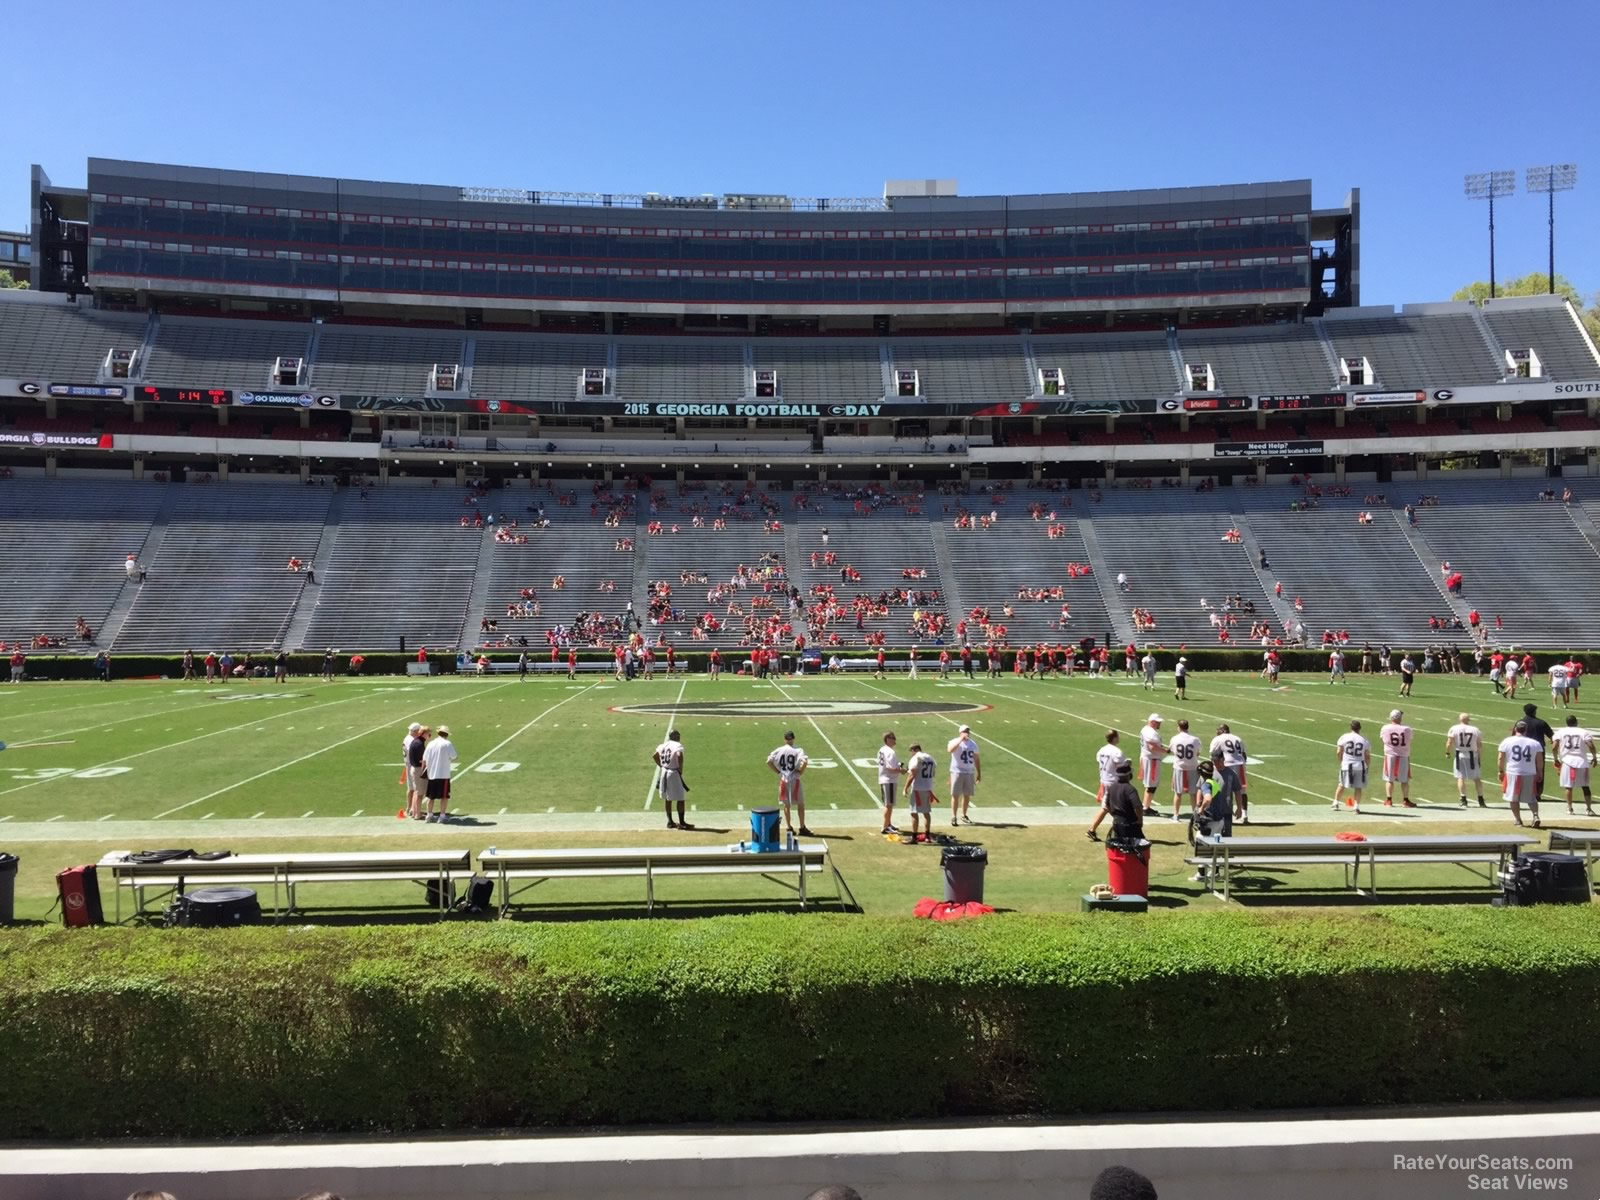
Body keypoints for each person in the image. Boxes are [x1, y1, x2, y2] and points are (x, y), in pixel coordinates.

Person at [1188, 758, 1232, 882]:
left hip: (1210, 822)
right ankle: (1215, 872)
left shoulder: (1206, 784)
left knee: (1201, 846)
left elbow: (1207, 798)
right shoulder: (1214, 783)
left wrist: (1201, 809)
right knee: (1215, 847)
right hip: (1220, 821)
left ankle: (1201, 873)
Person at [1498, 719, 1543, 828]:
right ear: (1526, 730)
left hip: (1513, 772)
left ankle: (1518, 820)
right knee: (1531, 797)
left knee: (1513, 798)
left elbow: (1501, 757)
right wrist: (1539, 772)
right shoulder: (1534, 743)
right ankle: (1535, 815)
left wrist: (1500, 771)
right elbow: (1539, 760)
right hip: (1529, 773)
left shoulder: (1507, 741)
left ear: (1515, 729)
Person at [1086, 729, 1128, 842]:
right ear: (1114, 738)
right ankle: (1122, 831)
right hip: (1114, 782)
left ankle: (1092, 830)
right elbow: (1123, 767)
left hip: (1104, 781)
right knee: (1117, 808)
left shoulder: (1101, 750)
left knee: (1107, 808)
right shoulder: (1116, 751)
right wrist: (1129, 764)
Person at [767, 731, 811, 836]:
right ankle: (802, 827)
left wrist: (778, 772)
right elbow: (805, 761)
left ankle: (789, 827)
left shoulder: (779, 750)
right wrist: (800, 772)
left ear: (785, 739)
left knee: (786, 805)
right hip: (794, 779)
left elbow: (768, 761)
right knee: (800, 804)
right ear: (793, 738)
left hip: (783, 779)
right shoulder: (798, 750)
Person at [1554, 715, 1597, 817]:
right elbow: (1590, 745)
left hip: (1567, 761)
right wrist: (1594, 757)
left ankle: (1569, 808)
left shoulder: (1561, 732)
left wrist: (1556, 758)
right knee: (1585, 786)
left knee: (1568, 786)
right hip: (1582, 761)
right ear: (1576, 722)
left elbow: (1554, 746)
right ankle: (1589, 809)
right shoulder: (1583, 732)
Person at [1444, 713, 1486, 808]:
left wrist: (1447, 752)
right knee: (1477, 778)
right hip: (1472, 755)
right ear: (1468, 720)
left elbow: (1449, 742)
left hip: (1460, 755)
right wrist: (1480, 757)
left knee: (1460, 777)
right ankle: (1481, 799)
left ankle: (1463, 799)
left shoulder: (1454, 728)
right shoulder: (1475, 729)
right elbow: (1479, 745)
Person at [1209, 723, 1249, 822]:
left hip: (1226, 765)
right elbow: (1244, 754)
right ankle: (1244, 814)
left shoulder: (1218, 739)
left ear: (1221, 730)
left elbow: (1214, 755)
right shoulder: (1237, 738)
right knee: (1241, 791)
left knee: (1224, 790)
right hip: (1240, 765)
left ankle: (1224, 814)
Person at [654, 727, 690, 830]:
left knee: (668, 798)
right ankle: (682, 823)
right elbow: (679, 755)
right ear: (677, 737)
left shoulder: (663, 745)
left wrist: (661, 765)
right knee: (680, 798)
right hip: (673, 773)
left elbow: (655, 756)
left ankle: (670, 822)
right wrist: (680, 768)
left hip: (664, 772)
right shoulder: (677, 745)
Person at [902, 741, 938, 842]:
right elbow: (933, 772)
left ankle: (914, 837)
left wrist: (905, 787)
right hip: (928, 788)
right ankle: (927, 836)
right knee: (926, 812)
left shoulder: (915, 758)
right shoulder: (930, 757)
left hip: (918, 788)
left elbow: (912, 774)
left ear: (913, 750)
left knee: (914, 812)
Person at [1378, 708, 1415, 807]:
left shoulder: (1385, 728)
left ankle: (1389, 800)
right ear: (1399, 717)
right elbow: (1409, 740)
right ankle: (1405, 800)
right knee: (1405, 780)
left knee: (1389, 779)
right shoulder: (1407, 729)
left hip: (1390, 755)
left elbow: (1384, 740)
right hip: (1403, 756)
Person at [421, 726, 458, 822]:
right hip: (443, 774)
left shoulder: (431, 744)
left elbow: (424, 758)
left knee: (430, 797)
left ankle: (429, 814)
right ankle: (442, 816)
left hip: (432, 774)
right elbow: (454, 756)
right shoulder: (447, 744)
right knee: (444, 796)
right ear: (446, 735)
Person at [1333, 719, 1370, 811]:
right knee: (1358, 787)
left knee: (1341, 784)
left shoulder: (1344, 737)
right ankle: (1356, 806)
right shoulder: (1364, 740)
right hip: (1360, 765)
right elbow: (1367, 756)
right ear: (1360, 728)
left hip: (1347, 764)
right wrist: (1367, 766)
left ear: (1351, 727)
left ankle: (1336, 802)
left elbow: (1339, 752)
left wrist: (1341, 761)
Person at [946, 723, 980, 826]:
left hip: (969, 772)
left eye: (968, 731)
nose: (967, 733)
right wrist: (960, 740)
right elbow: (950, 750)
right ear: (960, 732)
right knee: (955, 795)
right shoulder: (954, 741)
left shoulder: (973, 744)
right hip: (957, 771)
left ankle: (964, 815)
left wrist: (979, 773)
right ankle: (953, 816)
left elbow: (976, 758)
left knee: (967, 795)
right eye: (965, 731)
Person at [1522, 702, 1555, 804]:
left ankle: (1525, 792)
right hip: (1539, 751)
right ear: (1534, 712)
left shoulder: (1521, 723)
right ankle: (1537, 794)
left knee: (1524, 771)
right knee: (1539, 772)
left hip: (1524, 751)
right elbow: (1552, 735)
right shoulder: (1541, 723)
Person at [1168, 718, 1201, 822]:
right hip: (1192, 767)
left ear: (1179, 727)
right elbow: (1198, 752)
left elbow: (1173, 751)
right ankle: (1195, 815)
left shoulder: (1175, 739)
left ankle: (1176, 815)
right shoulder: (1195, 739)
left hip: (1180, 767)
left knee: (1178, 793)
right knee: (1193, 793)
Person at [1103, 759, 1143, 841]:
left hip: (1116, 823)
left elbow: (1107, 805)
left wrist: (1115, 817)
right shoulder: (1130, 789)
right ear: (1129, 775)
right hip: (1130, 824)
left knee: (1120, 847)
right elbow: (1138, 807)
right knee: (1138, 847)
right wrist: (1140, 820)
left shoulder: (1111, 787)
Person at [1137, 713, 1168, 816]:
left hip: (1148, 758)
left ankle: (1145, 805)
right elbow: (1152, 747)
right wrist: (1165, 751)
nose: (1160, 724)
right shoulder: (1150, 732)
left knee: (1150, 784)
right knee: (1151, 784)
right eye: (1158, 722)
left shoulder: (1145, 729)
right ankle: (1145, 807)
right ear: (1153, 722)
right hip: (1152, 759)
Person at [875, 731, 904, 834]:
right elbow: (891, 768)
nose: (895, 739)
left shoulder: (882, 750)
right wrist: (901, 770)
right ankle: (885, 826)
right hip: (889, 780)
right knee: (889, 805)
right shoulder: (890, 752)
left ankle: (888, 824)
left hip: (885, 779)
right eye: (893, 738)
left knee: (889, 804)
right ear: (888, 739)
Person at [406, 724, 429, 821]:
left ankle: (414, 811)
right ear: (424, 734)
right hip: (418, 769)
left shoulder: (415, 741)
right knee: (420, 793)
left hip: (414, 768)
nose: (429, 737)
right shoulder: (419, 743)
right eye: (429, 735)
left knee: (416, 792)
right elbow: (420, 759)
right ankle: (417, 814)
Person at [401, 721, 424, 820]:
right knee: (414, 788)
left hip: (408, 763)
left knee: (411, 787)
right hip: (412, 764)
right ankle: (412, 809)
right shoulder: (411, 740)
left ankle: (410, 807)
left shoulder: (407, 738)